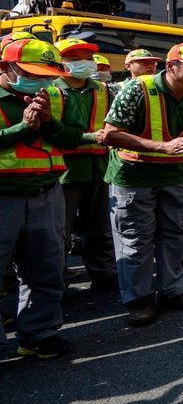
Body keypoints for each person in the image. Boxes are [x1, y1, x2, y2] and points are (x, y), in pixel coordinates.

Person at [101, 42, 183, 327]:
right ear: (172, 66)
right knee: (136, 240)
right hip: (134, 176)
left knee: (174, 235)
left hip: (176, 175)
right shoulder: (136, 89)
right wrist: (162, 146)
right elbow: (110, 134)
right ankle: (139, 299)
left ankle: (172, 290)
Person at [0, 39, 95, 358]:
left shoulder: (56, 94)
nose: (41, 81)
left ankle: (38, 332)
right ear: (6, 68)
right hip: (4, 195)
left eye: (46, 75)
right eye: (32, 73)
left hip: (47, 191)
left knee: (46, 266)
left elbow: (73, 138)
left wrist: (48, 122)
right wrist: (24, 128)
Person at [53, 39, 117, 291]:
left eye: (87, 57)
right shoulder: (51, 90)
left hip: (98, 167)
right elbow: (53, 132)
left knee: (100, 227)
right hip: (65, 170)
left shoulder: (103, 90)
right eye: (76, 57)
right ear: (62, 63)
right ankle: (57, 282)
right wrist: (90, 137)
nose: (85, 63)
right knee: (60, 231)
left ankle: (104, 274)